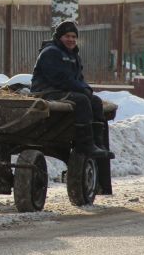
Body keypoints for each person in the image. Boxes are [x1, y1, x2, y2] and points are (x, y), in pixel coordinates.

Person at [30, 20, 112, 160]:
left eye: (74, 37)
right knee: (82, 100)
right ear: (59, 37)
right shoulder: (51, 52)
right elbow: (59, 79)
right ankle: (84, 144)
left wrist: (85, 88)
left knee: (95, 102)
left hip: (63, 90)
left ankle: (98, 144)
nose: (71, 39)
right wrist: (82, 89)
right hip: (47, 91)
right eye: (67, 36)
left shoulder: (74, 56)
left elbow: (78, 78)